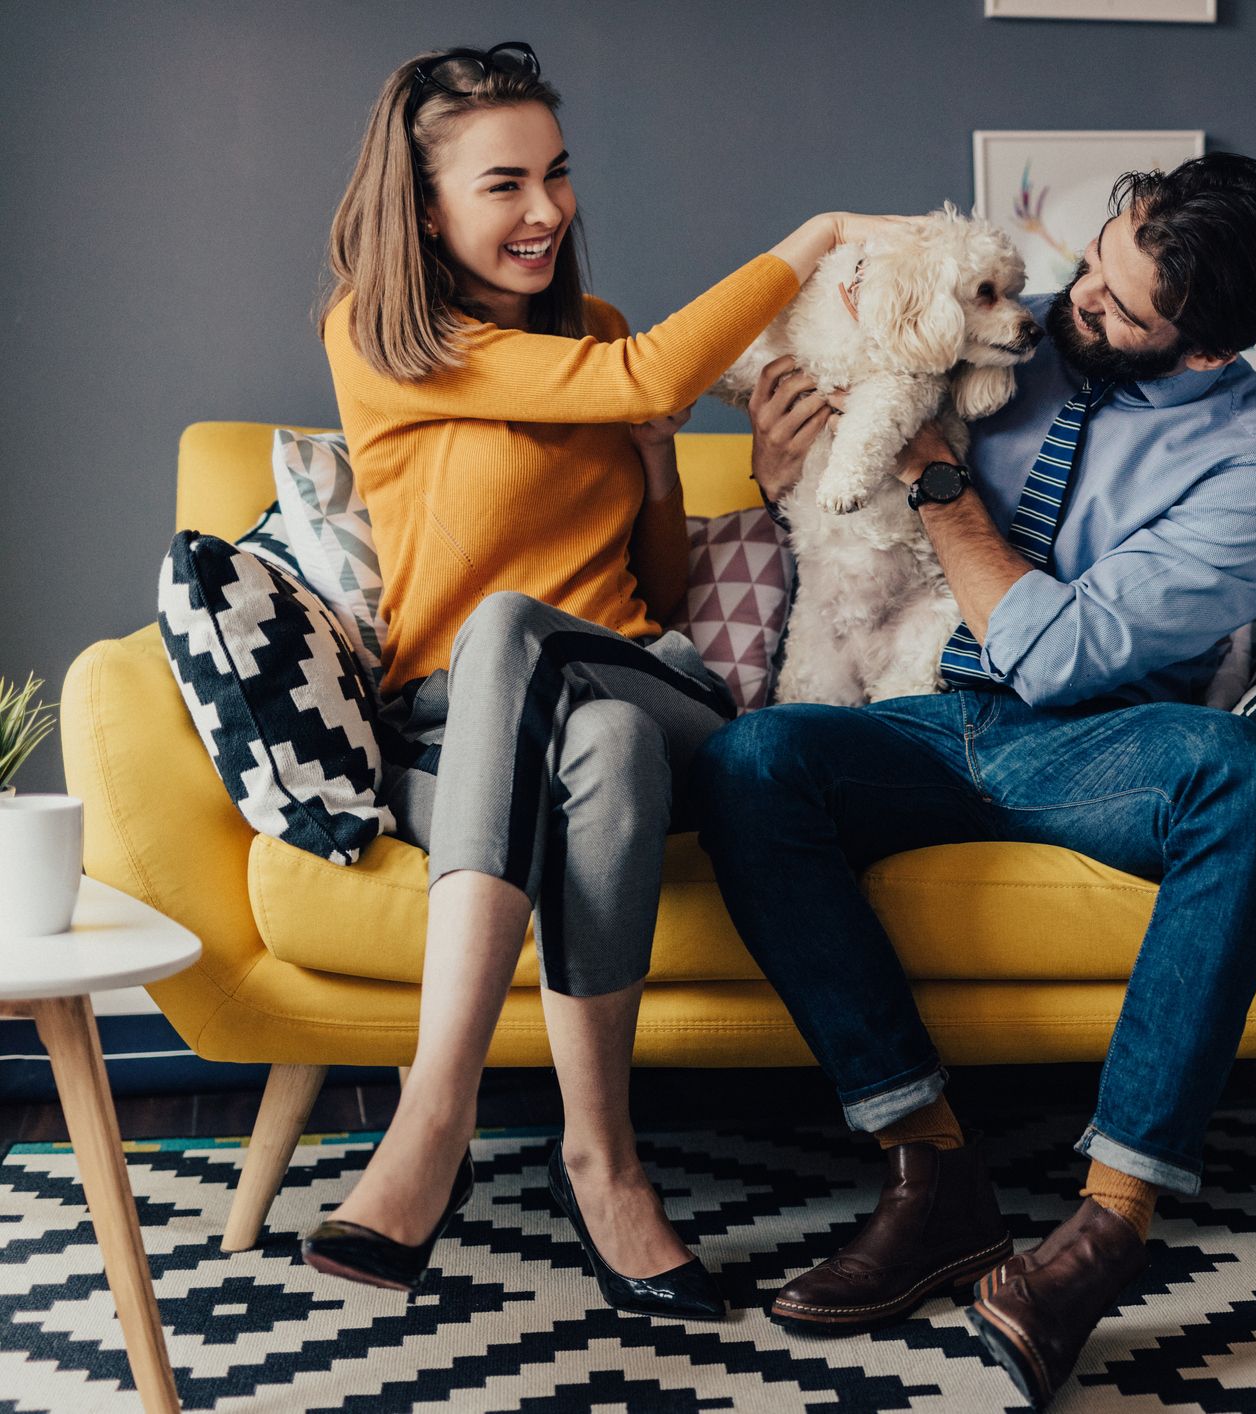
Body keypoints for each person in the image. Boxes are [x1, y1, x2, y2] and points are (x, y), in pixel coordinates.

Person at [697, 152, 1256, 1405]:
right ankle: (932, 1175)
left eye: (1116, 308)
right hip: (913, 712)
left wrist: (934, 472)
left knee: (1250, 773)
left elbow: (1058, 654)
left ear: (1204, 350)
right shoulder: (1002, 323)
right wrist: (782, 466)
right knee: (752, 759)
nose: (1067, 305)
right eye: (1093, 261)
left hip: (1084, 741)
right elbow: (823, 448)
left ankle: (1106, 1228)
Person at [295, 41, 898, 1320]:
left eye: (558, 175)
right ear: (425, 208)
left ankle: (432, 1118)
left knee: (543, 644)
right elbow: (648, 381)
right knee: (593, 737)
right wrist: (821, 233)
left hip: (655, 675)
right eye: (505, 183)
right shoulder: (380, 339)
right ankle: (602, 1159)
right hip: (461, 734)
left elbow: (662, 591)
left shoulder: (602, 334)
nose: (547, 211)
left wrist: (669, 476)